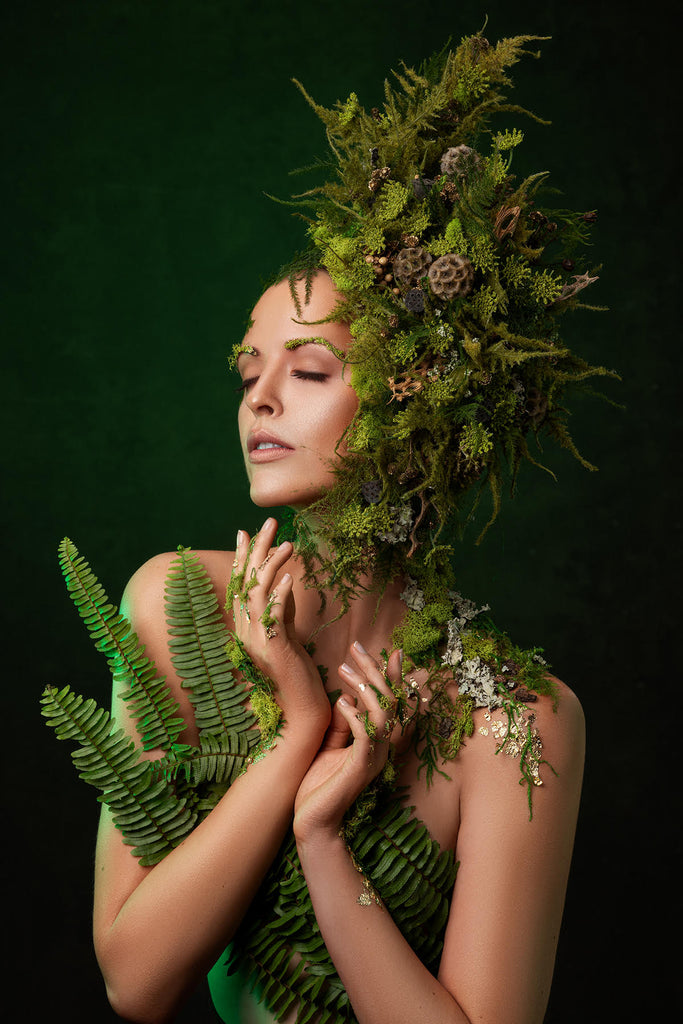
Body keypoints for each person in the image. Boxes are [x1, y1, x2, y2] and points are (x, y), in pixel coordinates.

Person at [44, 30, 608, 1024]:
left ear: (415, 406)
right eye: (248, 370)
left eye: (306, 373)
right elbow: (134, 979)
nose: (258, 399)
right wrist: (295, 736)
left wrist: (320, 836)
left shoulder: (516, 721)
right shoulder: (180, 606)